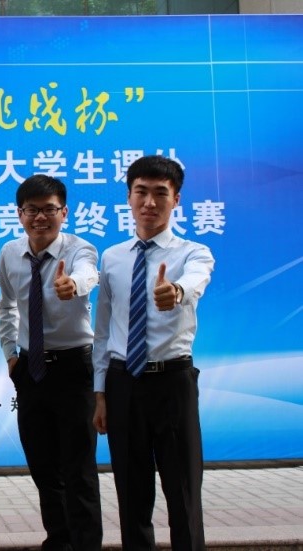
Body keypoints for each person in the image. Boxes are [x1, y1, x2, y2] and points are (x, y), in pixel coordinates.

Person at [93, 155, 214, 551]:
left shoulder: (193, 253)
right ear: (128, 197)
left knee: (183, 493)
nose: (149, 202)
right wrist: (100, 393)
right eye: (140, 192)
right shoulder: (112, 257)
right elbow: (103, 330)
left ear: (176, 199)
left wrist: (175, 291)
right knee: (132, 494)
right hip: (123, 381)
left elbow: (196, 281)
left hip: (172, 382)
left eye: (160, 193)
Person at [0, 174, 103, 551]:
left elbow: (89, 273)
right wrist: (11, 354)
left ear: (64, 212)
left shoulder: (79, 249)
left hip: (75, 370)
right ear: (20, 214)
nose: (40, 217)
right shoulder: (10, 252)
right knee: (43, 466)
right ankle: (58, 542)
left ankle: (86, 545)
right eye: (32, 210)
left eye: (49, 210)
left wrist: (72, 285)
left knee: (79, 469)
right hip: (32, 370)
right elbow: (6, 306)